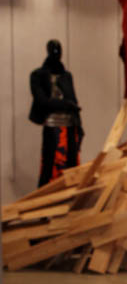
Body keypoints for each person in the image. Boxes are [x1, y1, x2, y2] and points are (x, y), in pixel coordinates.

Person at [29, 39, 84, 187]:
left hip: (70, 127)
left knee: (71, 168)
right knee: (50, 166)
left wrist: (79, 127)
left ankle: (70, 198)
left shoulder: (66, 76)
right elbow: (42, 101)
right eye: (53, 50)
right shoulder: (38, 75)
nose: (56, 53)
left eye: (58, 50)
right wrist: (65, 104)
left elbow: (73, 100)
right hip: (52, 126)